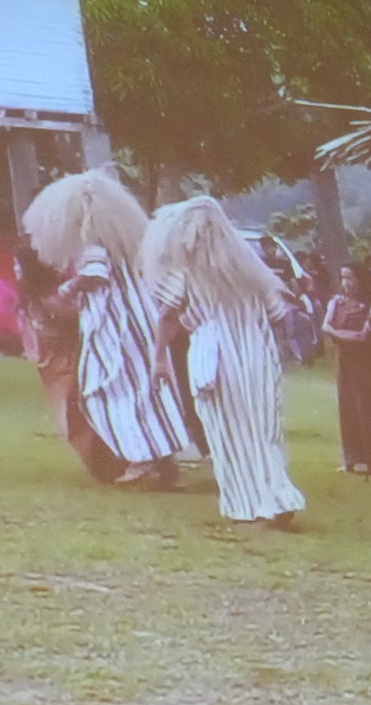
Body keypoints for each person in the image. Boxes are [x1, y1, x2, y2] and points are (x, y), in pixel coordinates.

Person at [20, 170, 191, 489]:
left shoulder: (94, 243)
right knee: (145, 390)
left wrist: (68, 289)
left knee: (112, 391)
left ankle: (142, 458)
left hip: (116, 327)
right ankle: (161, 458)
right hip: (137, 320)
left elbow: (95, 276)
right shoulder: (125, 244)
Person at [142, 196, 306, 524]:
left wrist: (159, 358)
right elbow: (278, 314)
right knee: (264, 427)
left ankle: (246, 501)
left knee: (227, 430)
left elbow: (168, 315)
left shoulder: (186, 269)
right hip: (257, 351)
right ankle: (277, 493)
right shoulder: (251, 265)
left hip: (213, 351)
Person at [16, 246, 126, 483]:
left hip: (69, 364)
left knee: (78, 419)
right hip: (54, 366)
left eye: (17, 264)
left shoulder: (56, 300)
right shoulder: (39, 298)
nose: (14, 269)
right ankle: (107, 465)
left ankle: (112, 465)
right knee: (73, 422)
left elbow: (79, 321)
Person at [320, 264, 371, 475]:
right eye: (343, 278)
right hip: (346, 363)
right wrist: (342, 334)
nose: (345, 283)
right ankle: (352, 457)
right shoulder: (337, 302)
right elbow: (326, 326)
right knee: (348, 407)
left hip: (369, 365)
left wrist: (338, 334)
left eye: (350, 278)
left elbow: (364, 336)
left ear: (361, 280)